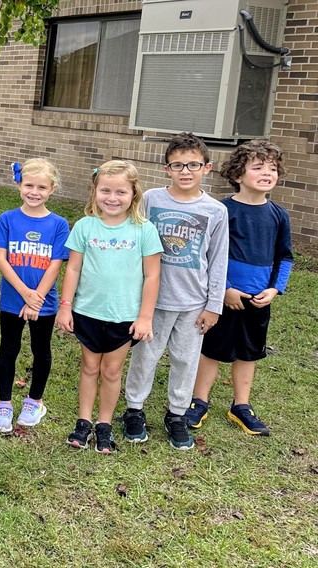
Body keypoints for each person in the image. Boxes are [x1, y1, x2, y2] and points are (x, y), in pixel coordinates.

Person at [122, 133, 229, 450]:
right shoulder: (152, 200)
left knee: (186, 360)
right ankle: (134, 410)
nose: (186, 171)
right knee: (145, 356)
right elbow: (132, 241)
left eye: (193, 164)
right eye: (178, 165)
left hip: (193, 303)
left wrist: (214, 305)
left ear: (207, 167)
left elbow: (218, 259)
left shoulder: (215, 211)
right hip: (153, 300)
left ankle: (178, 414)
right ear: (166, 168)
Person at [187, 139, 293, 436]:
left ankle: (241, 406)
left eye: (272, 168)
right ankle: (199, 401)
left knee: (249, 353)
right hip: (223, 298)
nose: (266, 173)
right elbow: (208, 254)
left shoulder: (279, 215)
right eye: (257, 167)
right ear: (237, 175)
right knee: (212, 349)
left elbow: (284, 257)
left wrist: (274, 290)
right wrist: (225, 289)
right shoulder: (222, 210)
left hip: (259, 300)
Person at [57, 161, 162, 454]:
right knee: (90, 367)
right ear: (95, 191)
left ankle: (104, 424)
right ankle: (83, 421)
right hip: (88, 312)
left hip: (124, 316)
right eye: (105, 190)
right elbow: (74, 270)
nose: (112, 198)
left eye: (120, 192)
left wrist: (145, 317)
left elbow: (152, 275)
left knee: (112, 371)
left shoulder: (145, 230)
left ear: (134, 194)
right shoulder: (84, 226)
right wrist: (65, 307)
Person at [0, 158, 70, 433]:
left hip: (43, 302)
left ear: (52, 189)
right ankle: (4, 403)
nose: (34, 192)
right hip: (13, 299)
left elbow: (56, 262)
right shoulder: (7, 219)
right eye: (29, 185)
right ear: (19, 184)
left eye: (42, 187)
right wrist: (25, 294)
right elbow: (1, 258)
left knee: (40, 350)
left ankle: (35, 400)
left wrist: (37, 298)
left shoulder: (58, 224)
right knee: (8, 349)